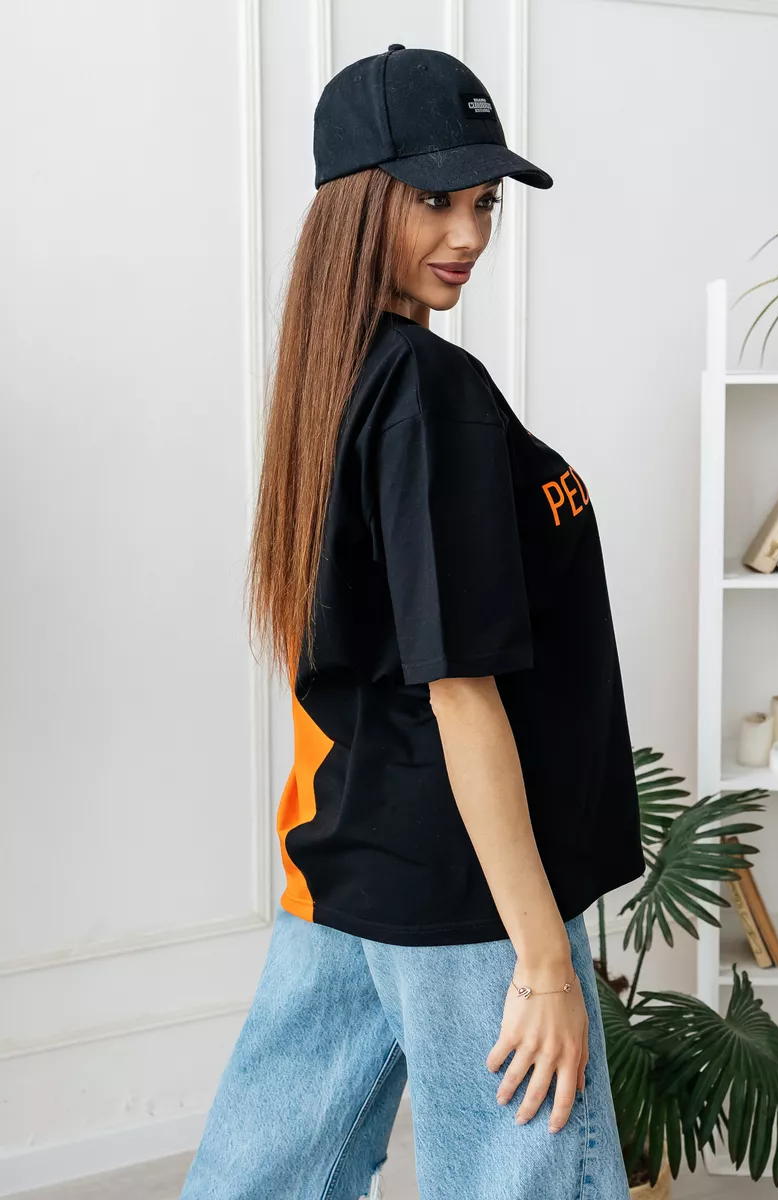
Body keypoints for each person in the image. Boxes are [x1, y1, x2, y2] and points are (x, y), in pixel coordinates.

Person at [179, 43, 644, 1200]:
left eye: (485, 203)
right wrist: (542, 960)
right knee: (521, 1182)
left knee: (258, 1180)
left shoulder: (334, 378)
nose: (469, 233)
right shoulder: (431, 394)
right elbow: (460, 689)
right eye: (436, 199)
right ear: (358, 203)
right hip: (468, 892)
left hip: (351, 862)